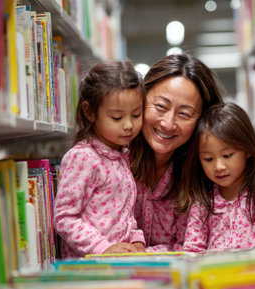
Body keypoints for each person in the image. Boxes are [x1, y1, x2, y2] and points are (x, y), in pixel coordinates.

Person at [129, 53, 224, 252]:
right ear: (142, 99)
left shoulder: (210, 173)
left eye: (184, 114)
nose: (168, 123)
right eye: (161, 106)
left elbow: (195, 248)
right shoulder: (113, 157)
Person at [54, 59, 146, 257]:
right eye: (117, 117)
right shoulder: (83, 158)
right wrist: (102, 248)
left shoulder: (121, 154)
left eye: (136, 115)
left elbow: (123, 214)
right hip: (89, 267)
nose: (129, 125)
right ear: (89, 112)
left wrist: (136, 239)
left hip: (117, 263)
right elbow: (65, 217)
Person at [182, 102, 255, 252]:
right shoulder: (203, 202)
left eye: (227, 155)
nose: (218, 166)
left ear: (247, 150)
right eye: (208, 159)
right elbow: (192, 249)